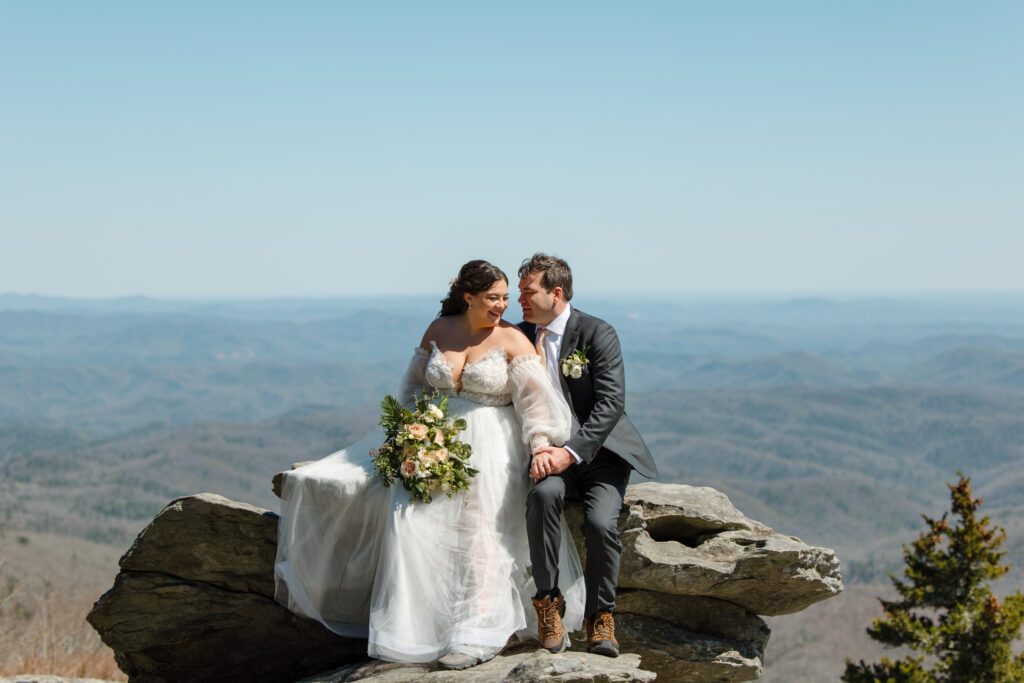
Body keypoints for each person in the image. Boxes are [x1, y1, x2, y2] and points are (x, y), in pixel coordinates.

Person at [274, 260, 586, 670]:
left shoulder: (513, 341)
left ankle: (476, 633)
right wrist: (406, 438)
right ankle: (416, 627)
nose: (502, 306)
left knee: (480, 535)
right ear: (468, 296)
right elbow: (413, 388)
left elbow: (535, 406)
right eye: (493, 298)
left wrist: (542, 445)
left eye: (506, 298)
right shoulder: (439, 330)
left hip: (491, 446)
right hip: (432, 438)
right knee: (410, 524)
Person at [516, 253, 658, 658]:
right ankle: (549, 606)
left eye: (528, 292)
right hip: (549, 452)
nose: (520, 301)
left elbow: (611, 404)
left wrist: (571, 453)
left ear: (556, 293)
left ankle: (601, 619)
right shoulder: (521, 334)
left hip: (601, 454)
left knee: (599, 524)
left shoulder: (597, 332)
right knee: (543, 498)